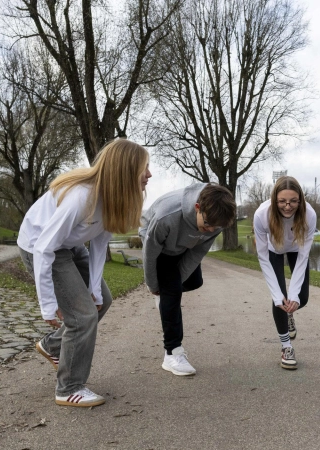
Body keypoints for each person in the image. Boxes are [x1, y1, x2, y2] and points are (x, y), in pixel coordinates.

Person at [17, 138, 150, 407]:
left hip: (70, 245)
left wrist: (95, 289)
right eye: (144, 168)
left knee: (103, 301)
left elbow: (100, 245)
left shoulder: (113, 199)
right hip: (40, 247)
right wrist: (48, 305)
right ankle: (69, 388)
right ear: (125, 171)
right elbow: (44, 249)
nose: (149, 174)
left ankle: (54, 346)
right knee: (82, 315)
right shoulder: (81, 197)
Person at [140, 183, 236, 376]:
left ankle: (167, 295)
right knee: (172, 290)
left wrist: (170, 288)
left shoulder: (217, 219)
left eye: (216, 227)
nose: (210, 230)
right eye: (207, 224)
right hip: (159, 247)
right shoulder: (166, 216)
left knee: (192, 282)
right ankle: (172, 354)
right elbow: (150, 254)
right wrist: (153, 285)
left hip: (185, 246)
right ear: (197, 207)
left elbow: (198, 253)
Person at [253, 176, 316, 369]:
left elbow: (304, 256)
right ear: (274, 200)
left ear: (300, 200)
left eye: (293, 201)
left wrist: (295, 295)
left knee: (302, 298)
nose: (288, 206)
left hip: (297, 250)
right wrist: (277, 294)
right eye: (282, 201)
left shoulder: (309, 215)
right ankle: (286, 346)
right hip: (273, 251)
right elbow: (263, 257)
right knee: (279, 300)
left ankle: (290, 315)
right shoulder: (261, 214)